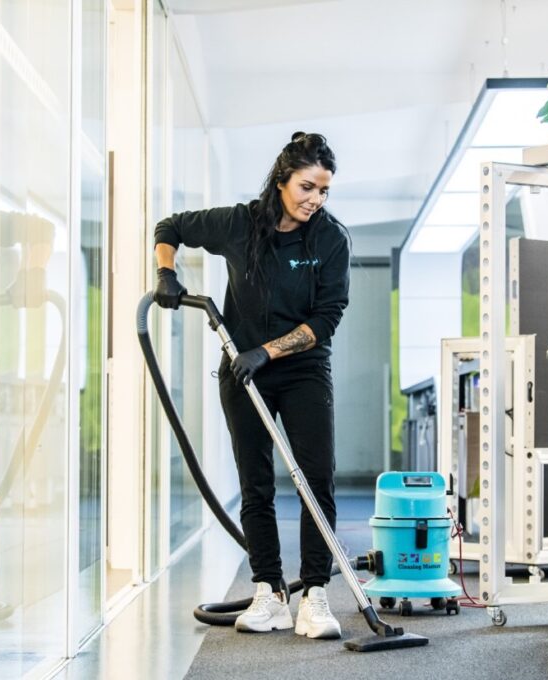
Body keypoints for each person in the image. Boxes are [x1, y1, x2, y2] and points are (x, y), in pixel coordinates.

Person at [152, 132, 351, 639]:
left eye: (324, 190)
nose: (315, 199)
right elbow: (170, 226)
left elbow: (328, 316)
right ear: (282, 179)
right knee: (255, 483)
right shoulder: (240, 224)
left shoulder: (331, 239)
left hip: (303, 369)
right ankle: (268, 591)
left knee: (315, 479)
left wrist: (269, 350)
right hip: (241, 373)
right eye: (308, 187)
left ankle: (315, 595)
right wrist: (166, 274)